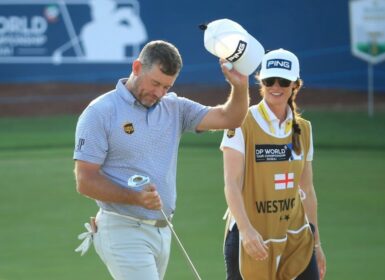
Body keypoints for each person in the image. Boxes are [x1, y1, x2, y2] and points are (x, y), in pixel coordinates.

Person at [73, 40, 249, 280]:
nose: (159, 93)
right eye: (155, 83)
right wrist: (136, 198)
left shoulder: (174, 108)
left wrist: (239, 86)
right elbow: (85, 180)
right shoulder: (100, 112)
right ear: (137, 67)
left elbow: (230, 118)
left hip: (162, 231)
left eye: (166, 86)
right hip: (122, 229)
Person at [220, 48, 326, 280]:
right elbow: (231, 183)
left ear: (295, 85)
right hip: (252, 236)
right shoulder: (241, 121)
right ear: (261, 82)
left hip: (297, 237)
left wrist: (316, 244)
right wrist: (246, 232)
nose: (276, 87)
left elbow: (307, 190)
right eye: (269, 80)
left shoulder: (304, 129)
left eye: (283, 81)